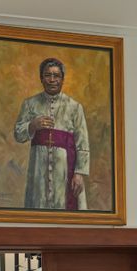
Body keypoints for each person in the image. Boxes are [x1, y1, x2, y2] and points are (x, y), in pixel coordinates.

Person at [14, 57, 90, 210]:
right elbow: (18, 134)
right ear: (41, 78)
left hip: (65, 171)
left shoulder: (75, 107)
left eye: (56, 75)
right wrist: (32, 126)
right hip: (38, 172)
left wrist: (79, 173)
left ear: (62, 79)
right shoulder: (30, 104)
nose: (52, 79)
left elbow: (83, 144)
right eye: (48, 75)